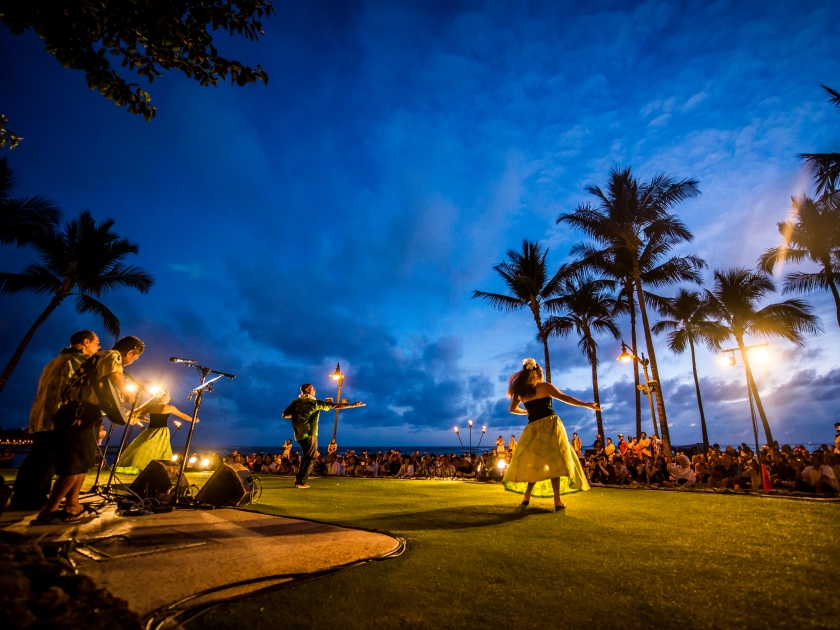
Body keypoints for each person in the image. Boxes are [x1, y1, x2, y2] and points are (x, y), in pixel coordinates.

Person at [35, 335, 144, 523]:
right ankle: (48, 511)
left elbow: (103, 391)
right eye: (134, 358)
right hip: (78, 413)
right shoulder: (111, 355)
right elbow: (116, 376)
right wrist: (129, 394)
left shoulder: (98, 361)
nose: (131, 362)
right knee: (73, 464)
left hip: (87, 413)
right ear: (131, 352)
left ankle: (73, 504)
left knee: (82, 462)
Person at [10, 330, 100, 511]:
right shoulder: (79, 362)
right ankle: (33, 500)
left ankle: (23, 498)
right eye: (96, 343)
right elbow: (80, 392)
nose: (98, 347)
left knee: (38, 457)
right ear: (86, 342)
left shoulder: (54, 362)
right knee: (50, 460)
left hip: (41, 415)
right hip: (61, 417)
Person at [503, 358, 597, 511]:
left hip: (533, 428)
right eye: (541, 373)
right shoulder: (545, 386)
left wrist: (527, 411)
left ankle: (527, 496)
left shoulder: (522, 392)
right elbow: (566, 398)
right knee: (556, 463)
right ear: (538, 373)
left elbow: (512, 409)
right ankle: (557, 501)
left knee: (535, 464)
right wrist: (586, 404)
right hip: (551, 425)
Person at [281, 383, 361, 489]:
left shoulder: (295, 403)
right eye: (313, 389)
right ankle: (301, 482)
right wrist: (352, 405)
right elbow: (335, 406)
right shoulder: (314, 403)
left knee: (306, 457)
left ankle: (299, 479)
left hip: (298, 434)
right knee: (310, 457)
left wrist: (298, 415)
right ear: (308, 390)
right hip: (310, 433)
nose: (315, 391)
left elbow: (284, 415)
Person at [115, 391, 197, 474]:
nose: (169, 397)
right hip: (162, 431)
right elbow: (182, 415)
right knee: (160, 450)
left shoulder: (151, 407)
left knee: (145, 448)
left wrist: (150, 420)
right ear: (162, 397)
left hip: (150, 430)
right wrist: (194, 420)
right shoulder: (169, 407)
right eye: (168, 396)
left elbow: (140, 416)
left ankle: (141, 466)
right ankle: (159, 468)